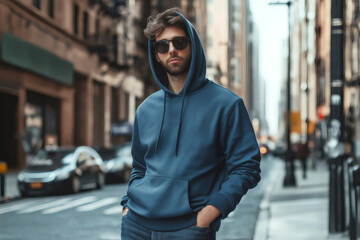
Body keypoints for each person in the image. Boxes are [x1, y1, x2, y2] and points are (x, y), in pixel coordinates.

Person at [120, 8, 261, 240]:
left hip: (189, 228)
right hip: (137, 226)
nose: (171, 50)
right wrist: (128, 207)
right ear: (156, 54)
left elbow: (247, 167)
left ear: (193, 46)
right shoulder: (146, 109)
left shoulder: (227, 105)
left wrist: (209, 214)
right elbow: (139, 166)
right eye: (163, 46)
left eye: (179, 42)